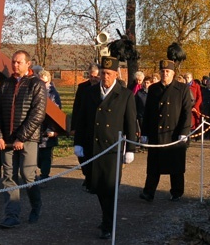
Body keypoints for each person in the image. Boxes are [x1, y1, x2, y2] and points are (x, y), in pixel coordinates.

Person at [73, 56, 137, 240]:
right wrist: (78, 142)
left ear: (116, 74)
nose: (105, 77)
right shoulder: (90, 93)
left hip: (112, 150)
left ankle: (108, 224)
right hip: (92, 147)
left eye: (108, 73)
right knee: (97, 187)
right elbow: (82, 119)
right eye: (102, 73)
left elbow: (130, 123)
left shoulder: (125, 95)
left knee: (109, 188)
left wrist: (130, 148)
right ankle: (107, 218)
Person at [0, 50, 47, 229]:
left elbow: (37, 114)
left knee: (27, 175)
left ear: (28, 64)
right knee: (9, 176)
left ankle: (36, 206)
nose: (15, 65)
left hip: (28, 139)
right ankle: (11, 215)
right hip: (6, 139)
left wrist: (22, 137)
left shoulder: (36, 84)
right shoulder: (5, 85)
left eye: (19, 62)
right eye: (13, 62)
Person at [140, 59, 192, 203]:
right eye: (162, 71)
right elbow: (148, 112)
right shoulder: (153, 89)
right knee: (153, 166)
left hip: (175, 133)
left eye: (167, 71)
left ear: (173, 73)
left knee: (175, 165)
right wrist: (144, 133)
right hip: (157, 132)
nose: (164, 74)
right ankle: (148, 192)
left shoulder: (182, 89)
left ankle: (176, 192)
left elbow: (187, 111)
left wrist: (184, 131)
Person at [70, 63, 100, 191]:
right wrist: (73, 127)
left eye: (95, 76)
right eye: (90, 76)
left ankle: (92, 178)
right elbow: (76, 107)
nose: (92, 79)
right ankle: (87, 174)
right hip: (83, 124)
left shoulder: (102, 88)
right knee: (82, 154)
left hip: (97, 126)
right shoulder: (83, 88)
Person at [36, 69, 60, 181]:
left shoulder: (53, 95)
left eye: (44, 82)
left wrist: (52, 129)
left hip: (48, 128)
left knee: (46, 154)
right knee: (37, 157)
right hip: (36, 128)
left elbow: (57, 113)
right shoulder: (34, 92)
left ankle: (45, 175)